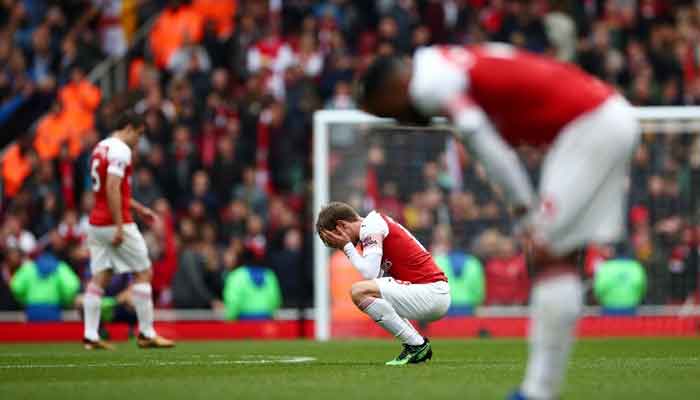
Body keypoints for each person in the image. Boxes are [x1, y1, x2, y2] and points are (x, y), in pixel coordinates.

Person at [357, 43, 639, 398]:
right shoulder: (440, 59)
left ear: (394, 88)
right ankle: (537, 390)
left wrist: (523, 209)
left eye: (390, 112)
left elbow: (480, 137)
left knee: (549, 254)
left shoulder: (430, 85)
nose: (399, 120)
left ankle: (536, 392)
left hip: (590, 127)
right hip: (594, 119)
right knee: (558, 259)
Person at [82, 110, 174, 350]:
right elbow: (113, 187)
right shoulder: (122, 150)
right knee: (144, 272)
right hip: (114, 222)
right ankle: (146, 332)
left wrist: (139, 208)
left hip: (96, 223)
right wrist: (120, 225)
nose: (139, 140)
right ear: (129, 128)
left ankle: (90, 335)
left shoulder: (101, 147)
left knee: (101, 275)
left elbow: (108, 191)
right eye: (139, 134)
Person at [316, 202, 450, 365]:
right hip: (431, 293)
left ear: (341, 226)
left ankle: (416, 345)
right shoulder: (374, 225)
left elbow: (369, 273)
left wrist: (346, 246)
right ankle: (415, 345)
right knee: (369, 295)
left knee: (358, 291)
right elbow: (374, 278)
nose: (335, 246)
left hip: (432, 293)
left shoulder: (371, 226)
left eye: (332, 240)